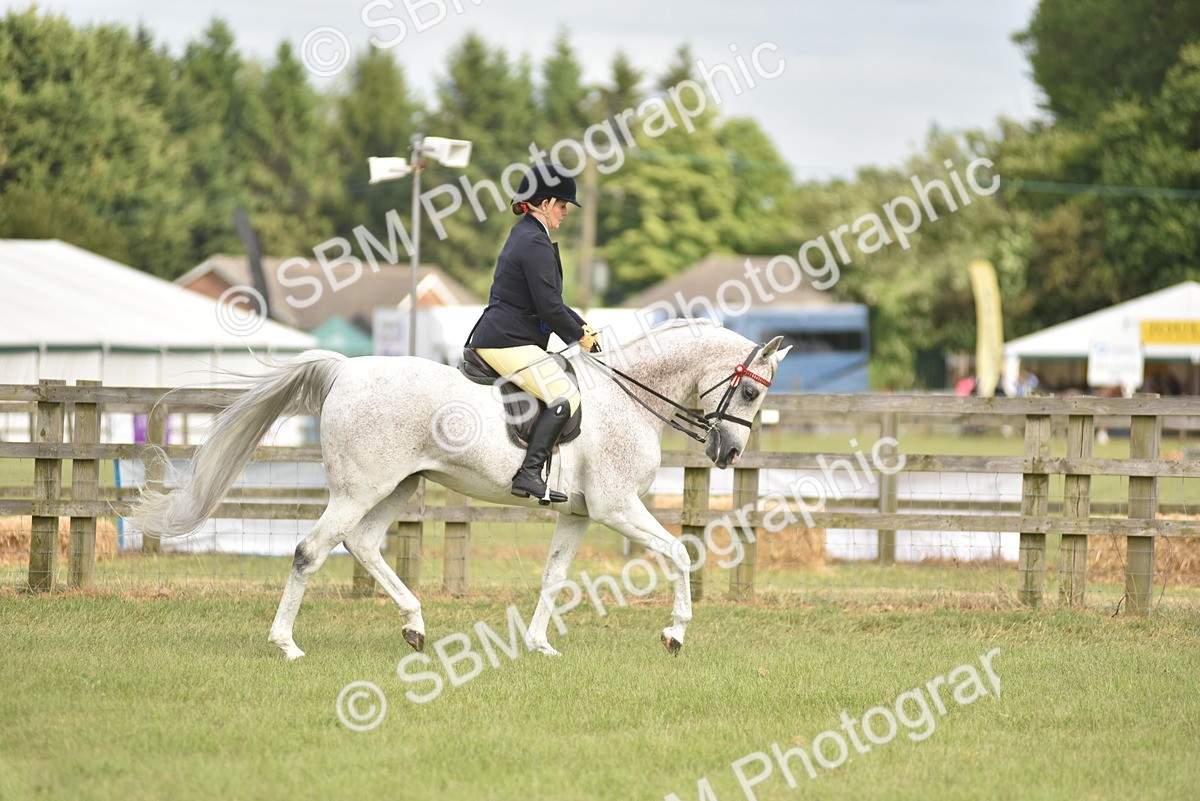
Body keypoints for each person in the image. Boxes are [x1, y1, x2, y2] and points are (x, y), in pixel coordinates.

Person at [465, 164, 601, 503]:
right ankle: (529, 472)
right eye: (562, 205)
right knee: (566, 396)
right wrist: (581, 336)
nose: (565, 213)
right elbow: (549, 308)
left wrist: (582, 328)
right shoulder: (534, 241)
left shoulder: (525, 234)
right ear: (545, 203)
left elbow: (551, 303)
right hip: (506, 340)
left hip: (504, 335)